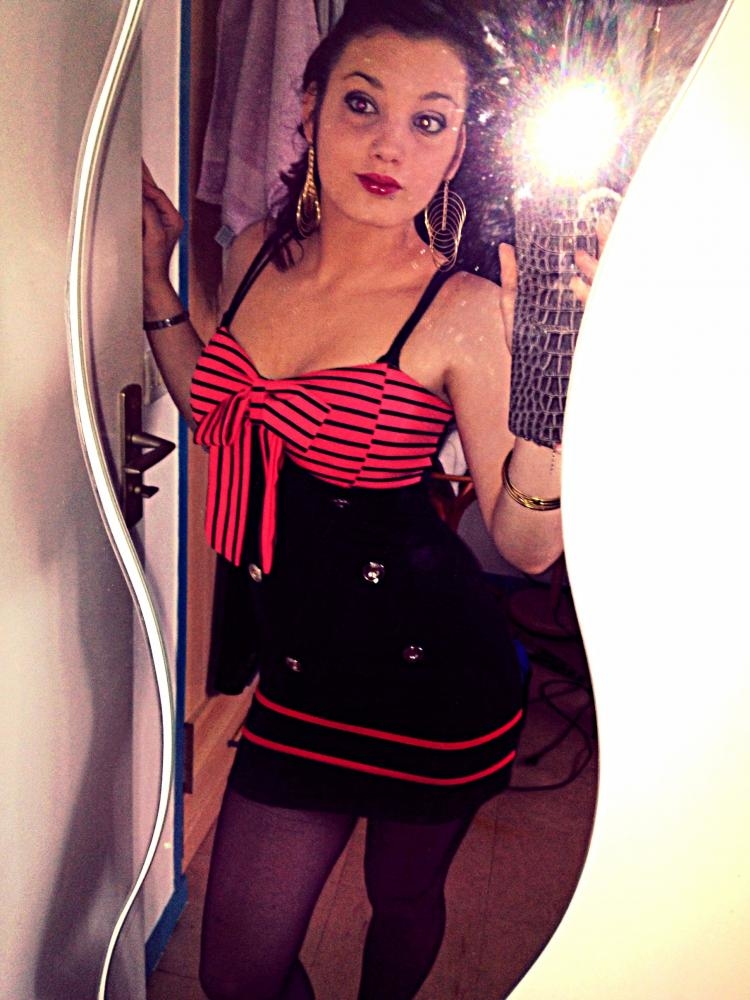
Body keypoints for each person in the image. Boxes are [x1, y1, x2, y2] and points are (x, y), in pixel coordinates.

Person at [142, 3, 601, 998]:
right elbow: (222, 416)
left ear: (456, 149)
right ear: (308, 109)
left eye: (429, 120)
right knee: (236, 975)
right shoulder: (256, 253)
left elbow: (527, 548)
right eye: (363, 104)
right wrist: (153, 284)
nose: (391, 145)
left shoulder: (463, 309)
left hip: (434, 681)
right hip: (298, 674)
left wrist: (553, 382)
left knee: (403, 900)